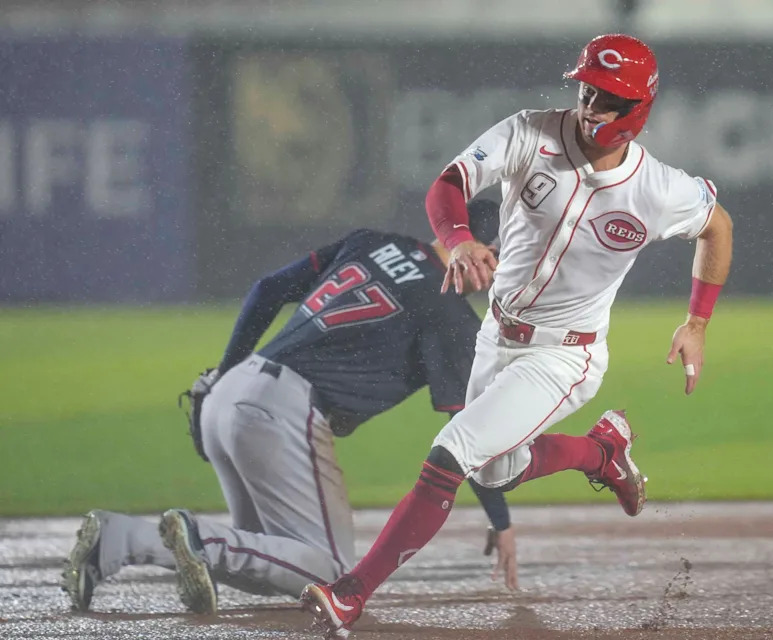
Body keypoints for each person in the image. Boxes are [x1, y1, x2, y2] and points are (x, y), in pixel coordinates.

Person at [301, 33, 734, 639]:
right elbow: (448, 183)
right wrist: (458, 240)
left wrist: (697, 322)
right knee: (494, 471)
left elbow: (718, 227)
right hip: (497, 335)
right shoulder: (531, 132)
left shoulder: (658, 189)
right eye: (586, 89)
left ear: (638, 110)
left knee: (449, 455)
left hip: (566, 355)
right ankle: (601, 451)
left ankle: (352, 592)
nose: (590, 105)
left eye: (608, 98)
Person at [60, 200, 521, 615]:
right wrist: (499, 519)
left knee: (267, 557)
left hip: (237, 387)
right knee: (331, 574)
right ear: (487, 250)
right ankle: (197, 537)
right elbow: (465, 432)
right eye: (507, 257)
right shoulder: (451, 315)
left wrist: (224, 374)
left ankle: (117, 541)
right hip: (283, 412)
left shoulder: (373, 241)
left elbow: (267, 288)